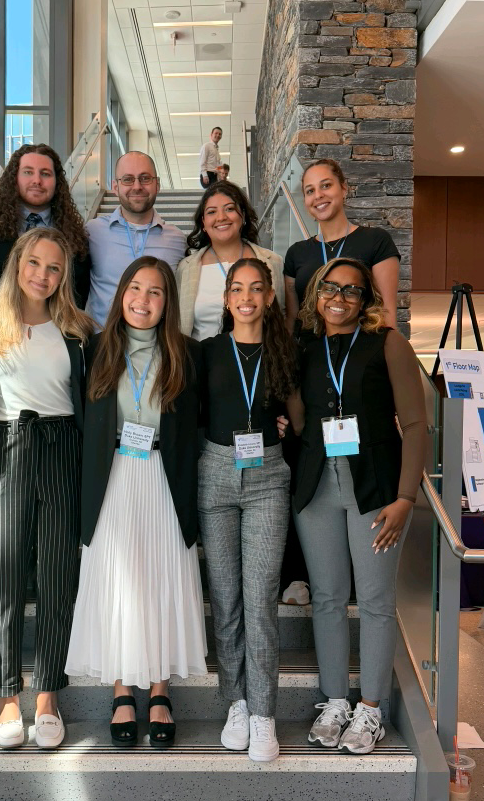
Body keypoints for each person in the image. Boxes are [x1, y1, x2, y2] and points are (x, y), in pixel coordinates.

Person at [65, 257, 207, 748]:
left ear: (168, 303)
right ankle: (123, 689)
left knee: (163, 577)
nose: (142, 301)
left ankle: (161, 690)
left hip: (166, 478)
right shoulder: (95, 350)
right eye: (135, 289)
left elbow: (204, 423)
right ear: (121, 292)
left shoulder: (188, 354)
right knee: (116, 582)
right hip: (113, 479)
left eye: (155, 293)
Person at [287, 257, 426, 755]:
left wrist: (406, 497)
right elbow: (299, 418)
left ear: (366, 299)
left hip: (377, 489)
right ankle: (335, 700)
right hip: (315, 487)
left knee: (374, 601)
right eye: (330, 288)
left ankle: (369, 709)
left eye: (352, 290)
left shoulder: (388, 343)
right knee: (326, 597)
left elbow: (414, 425)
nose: (339, 297)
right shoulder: (303, 346)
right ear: (316, 293)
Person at [0, 228, 95, 750]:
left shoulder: (78, 330)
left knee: (56, 571)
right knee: (3, 572)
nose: (42, 275)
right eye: (34, 263)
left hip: (61, 444)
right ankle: (6, 694)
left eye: (53, 268)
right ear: (17, 264)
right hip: (5, 444)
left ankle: (47, 692)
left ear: (63, 276)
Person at [199, 258, 298, 762]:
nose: (247, 297)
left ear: (269, 297)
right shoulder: (207, 352)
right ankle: (234, 701)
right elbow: (192, 415)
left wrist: (283, 425)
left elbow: (297, 413)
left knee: (259, 599)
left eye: (257, 289)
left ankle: (263, 713)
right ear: (225, 298)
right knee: (226, 598)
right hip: (214, 474)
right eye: (237, 289)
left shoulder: (284, 352)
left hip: (267, 479)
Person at [0, 143, 91, 305]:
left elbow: (79, 296)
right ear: (14, 178)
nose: (37, 181)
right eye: (28, 172)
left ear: (57, 182)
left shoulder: (76, 237)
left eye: (45, 174)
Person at [284, 158, 401, 334]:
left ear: (344, 188)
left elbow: (386, 314)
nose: (318, 195)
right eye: (310, 191)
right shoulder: (296, 252)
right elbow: (293, 319)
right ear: (306, 201)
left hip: (360, 353)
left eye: (326, 186)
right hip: (309, 356)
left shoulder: (376, 241)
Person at [86, 151, 186, 327]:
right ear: (115, 187)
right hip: (101, 347)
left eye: (145, 178)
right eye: (128, 179)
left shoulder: (177, 241)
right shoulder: (92, 232)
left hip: (156, 348)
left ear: (157, 185)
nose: (137, 186)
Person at [176, 182, 284, 341]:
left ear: (244, 216)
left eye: (230, 209)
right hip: (200, 361)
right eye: (212, 212)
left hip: (260, 361)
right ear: (203, 223)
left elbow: (282, 316)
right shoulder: (186, 268)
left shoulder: (272, 261)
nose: (221, 217)